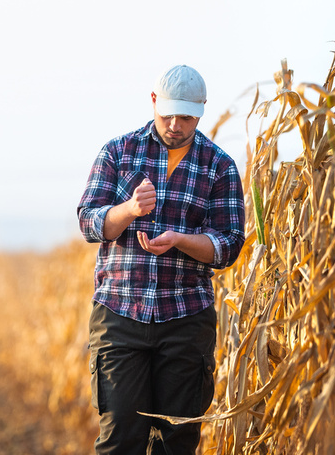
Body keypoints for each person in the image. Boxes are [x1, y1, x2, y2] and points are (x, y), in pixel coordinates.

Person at [77, 64, 246, 454]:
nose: (174, 125)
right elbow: (89, 222)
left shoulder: (219, 166)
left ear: (201, 111)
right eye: (167, 114)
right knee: (121, 437)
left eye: (186, 117)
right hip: (120, 313)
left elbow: (229, 245)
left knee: (178, 441)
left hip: (186, 318)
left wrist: (180, 240)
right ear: (153, 102)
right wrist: (129, 210)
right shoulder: (118, 152)